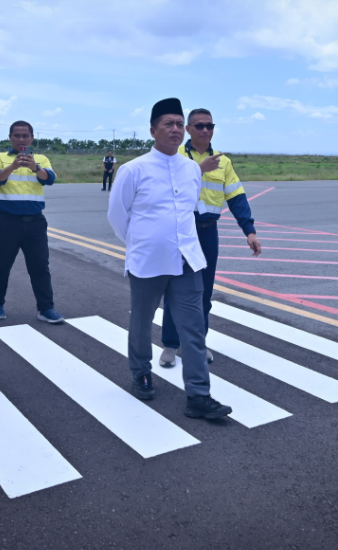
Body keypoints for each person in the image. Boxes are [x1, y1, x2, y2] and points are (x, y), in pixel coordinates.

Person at [107, 97, 231, 420]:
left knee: (193, 328)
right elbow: (117, 217)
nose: (175, 129)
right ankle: (141, 373)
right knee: (141, 321)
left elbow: (188, 209)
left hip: (188, 261)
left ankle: (199, 395)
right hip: (148, 262)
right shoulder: (132, 170)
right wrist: (143, 243)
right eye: (168, 124)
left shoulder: (191, 169)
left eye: (179, 123)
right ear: (152, 130)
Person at [159, 109, 262, 368]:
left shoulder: (223, 162)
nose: (205, 130)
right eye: (199, 126)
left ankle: (198, 344)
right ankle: (170, 345)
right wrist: (197, 169)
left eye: (209, 126)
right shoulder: (176, 155)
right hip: (179, 231)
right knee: (175, 290)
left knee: (203, 292)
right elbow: (163, 187)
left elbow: (236, 197)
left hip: (206, 232)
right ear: (189, 129)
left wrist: (249, 231)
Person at [0, 120, 63, 323]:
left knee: (39, 266)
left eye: (25, 135)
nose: (21, 139)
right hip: (6, 222)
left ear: (32, 138)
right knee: (2, 264)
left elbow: (50, 179)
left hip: (35, 222)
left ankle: (46, 308)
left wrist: (35, 167)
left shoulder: (41, 159)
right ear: (10, 137)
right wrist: (12, 166)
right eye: (17, 135)